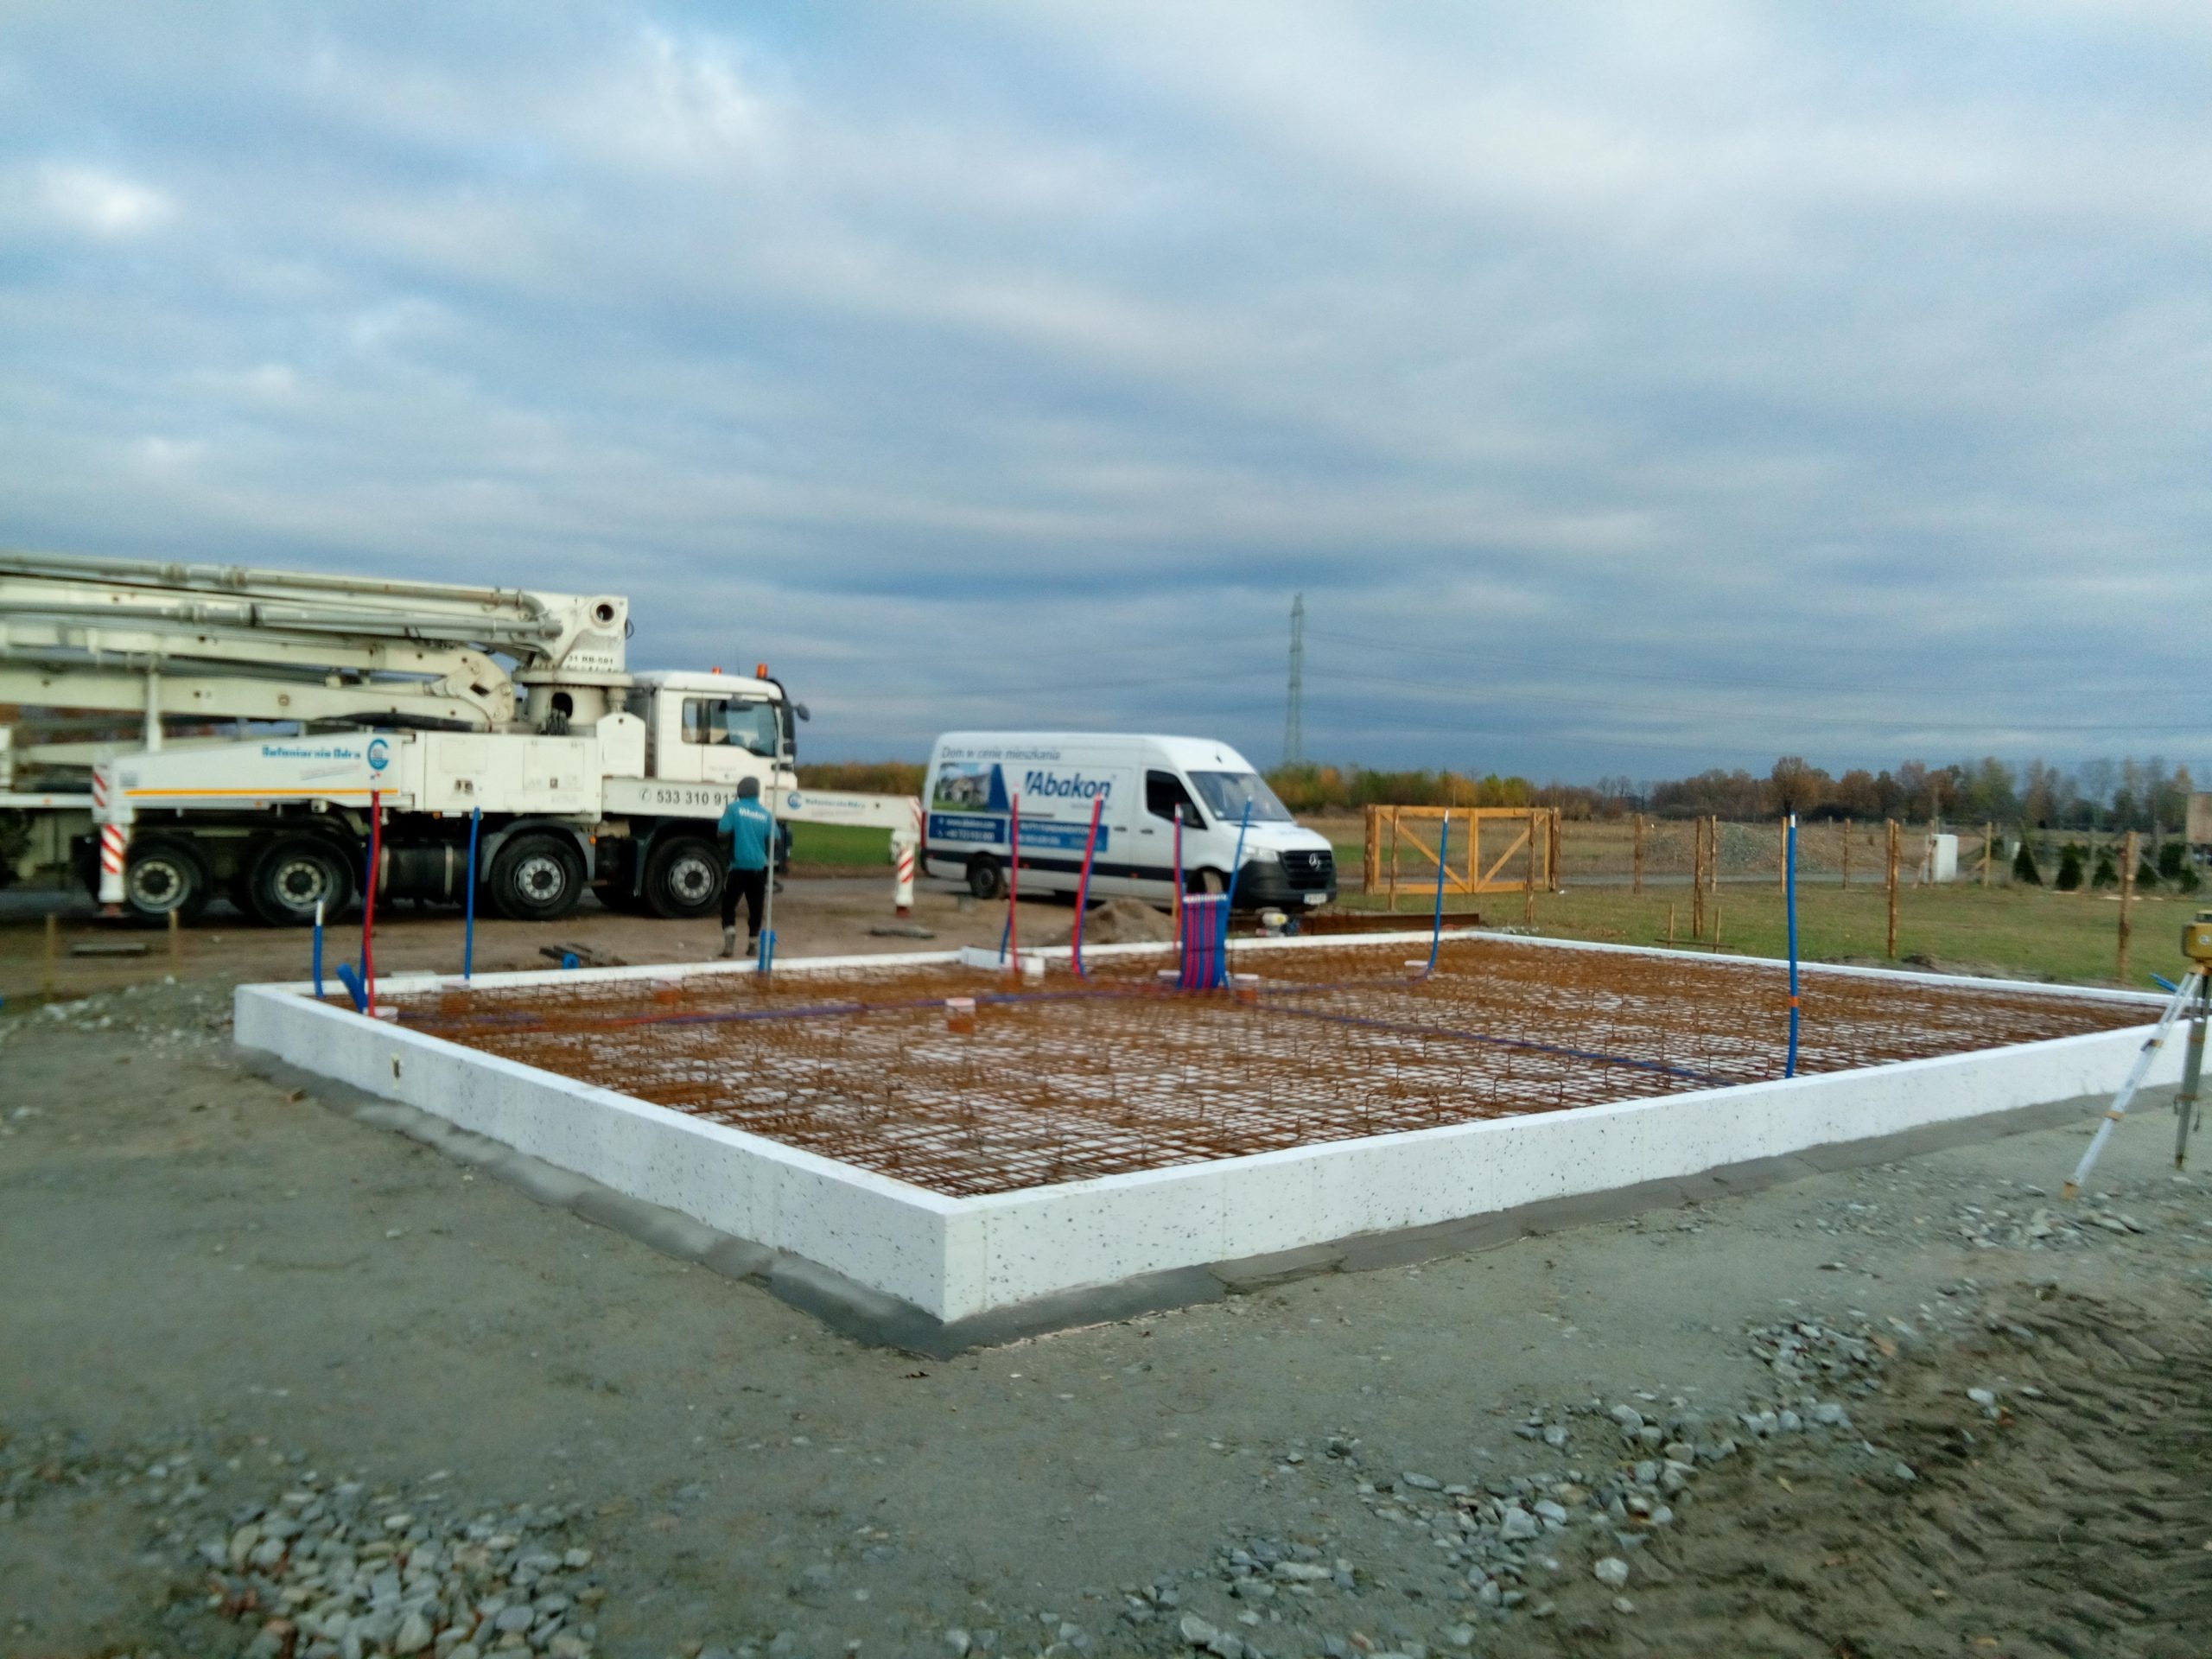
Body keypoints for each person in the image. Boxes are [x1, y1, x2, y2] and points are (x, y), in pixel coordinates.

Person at [715, 776, 775, 958]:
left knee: (729, 906)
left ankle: (729, 943)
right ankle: (753, 945)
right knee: (756, 908)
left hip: (738, 867)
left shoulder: (734, 809)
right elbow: (776, 841)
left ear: (740, 791)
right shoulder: (766, 814)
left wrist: (725, 849)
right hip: (759, 868)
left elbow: (722, 833)